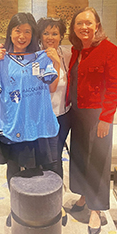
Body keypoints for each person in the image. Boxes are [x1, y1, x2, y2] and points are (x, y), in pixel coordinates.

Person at [0, 12, 60, 225]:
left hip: (36, 123)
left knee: (37, 170)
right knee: (14, 168)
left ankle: (34, 211)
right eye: (18, 30)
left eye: (27, 31)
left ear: (33, 34)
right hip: (13, 123)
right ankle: (16, 209)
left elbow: (52, 86)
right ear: (10, 32)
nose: (22, 35)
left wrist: (56, 63)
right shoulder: (2, 58)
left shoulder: (40, 58)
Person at [66, 7, 117, 234]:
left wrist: (106, 118)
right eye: (79, 24)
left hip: (98, 115)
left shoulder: (109, 50)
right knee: (79, 156)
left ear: (97, 25)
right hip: (76, 113)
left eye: (89, 23)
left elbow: (114, 86)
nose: (84, 27)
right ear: (74, 28)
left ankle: (96, 209)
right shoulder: (76, 50)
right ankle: (83, 195)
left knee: (97, 160)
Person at [37, 17, 72, 179]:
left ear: (61, 36)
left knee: (56, 155)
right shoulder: (35, 57)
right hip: (42, 117)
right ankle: (40, 194)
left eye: (55, 33)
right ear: (40, 36)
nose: (50, 37)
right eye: (46, 33)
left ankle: (54, 197)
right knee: (43, 157)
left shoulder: (66, 54)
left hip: (63, 115)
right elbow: (47, 86)